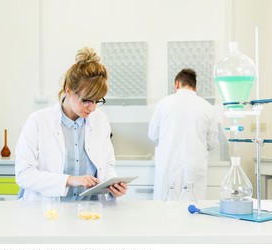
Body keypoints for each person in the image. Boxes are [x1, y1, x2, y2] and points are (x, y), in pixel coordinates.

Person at [15, 47, 128, 201]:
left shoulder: (100, 120)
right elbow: (24, 174)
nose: (93, 107)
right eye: (87, 100)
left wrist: (113, 184)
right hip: (49, 211)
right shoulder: (38, 121)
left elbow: (107, 165)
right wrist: (69, 180)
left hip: (90, 211)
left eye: (97, 101)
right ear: (68, 91)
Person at [148, 68, 218, 200]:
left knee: (164, 211)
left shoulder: (164, 104)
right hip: (195, 169)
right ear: (195, 87)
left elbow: (153, 135)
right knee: (193, 211)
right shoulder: (207, 107)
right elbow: (212, 142)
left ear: (177, 83)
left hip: (168, 166)